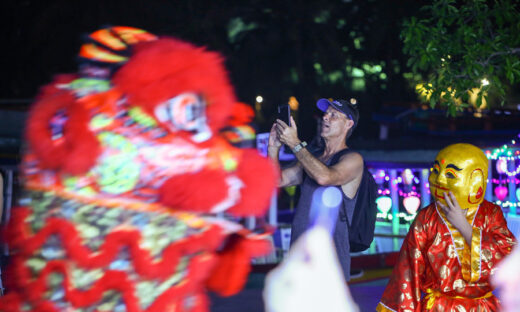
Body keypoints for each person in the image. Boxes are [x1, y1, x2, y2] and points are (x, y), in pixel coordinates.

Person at [377, 143, 516, 312]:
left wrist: (463, 226)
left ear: (476, 179)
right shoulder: (426, 218)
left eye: (450, 174)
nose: (439, 179)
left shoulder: (491, 213)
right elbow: (407, 271)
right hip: (438, 308)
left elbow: (509, 257)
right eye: (436, 171)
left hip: (483, 307)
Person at [268, 98, 363, 280]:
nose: (326, 117)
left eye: (334, 115)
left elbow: (324, 177)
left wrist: (295, 143)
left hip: (330, 263)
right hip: (299, 258)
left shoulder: (353, 159)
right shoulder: (313, 159)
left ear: (348, 124)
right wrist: (273, 148)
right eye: (326, 113)